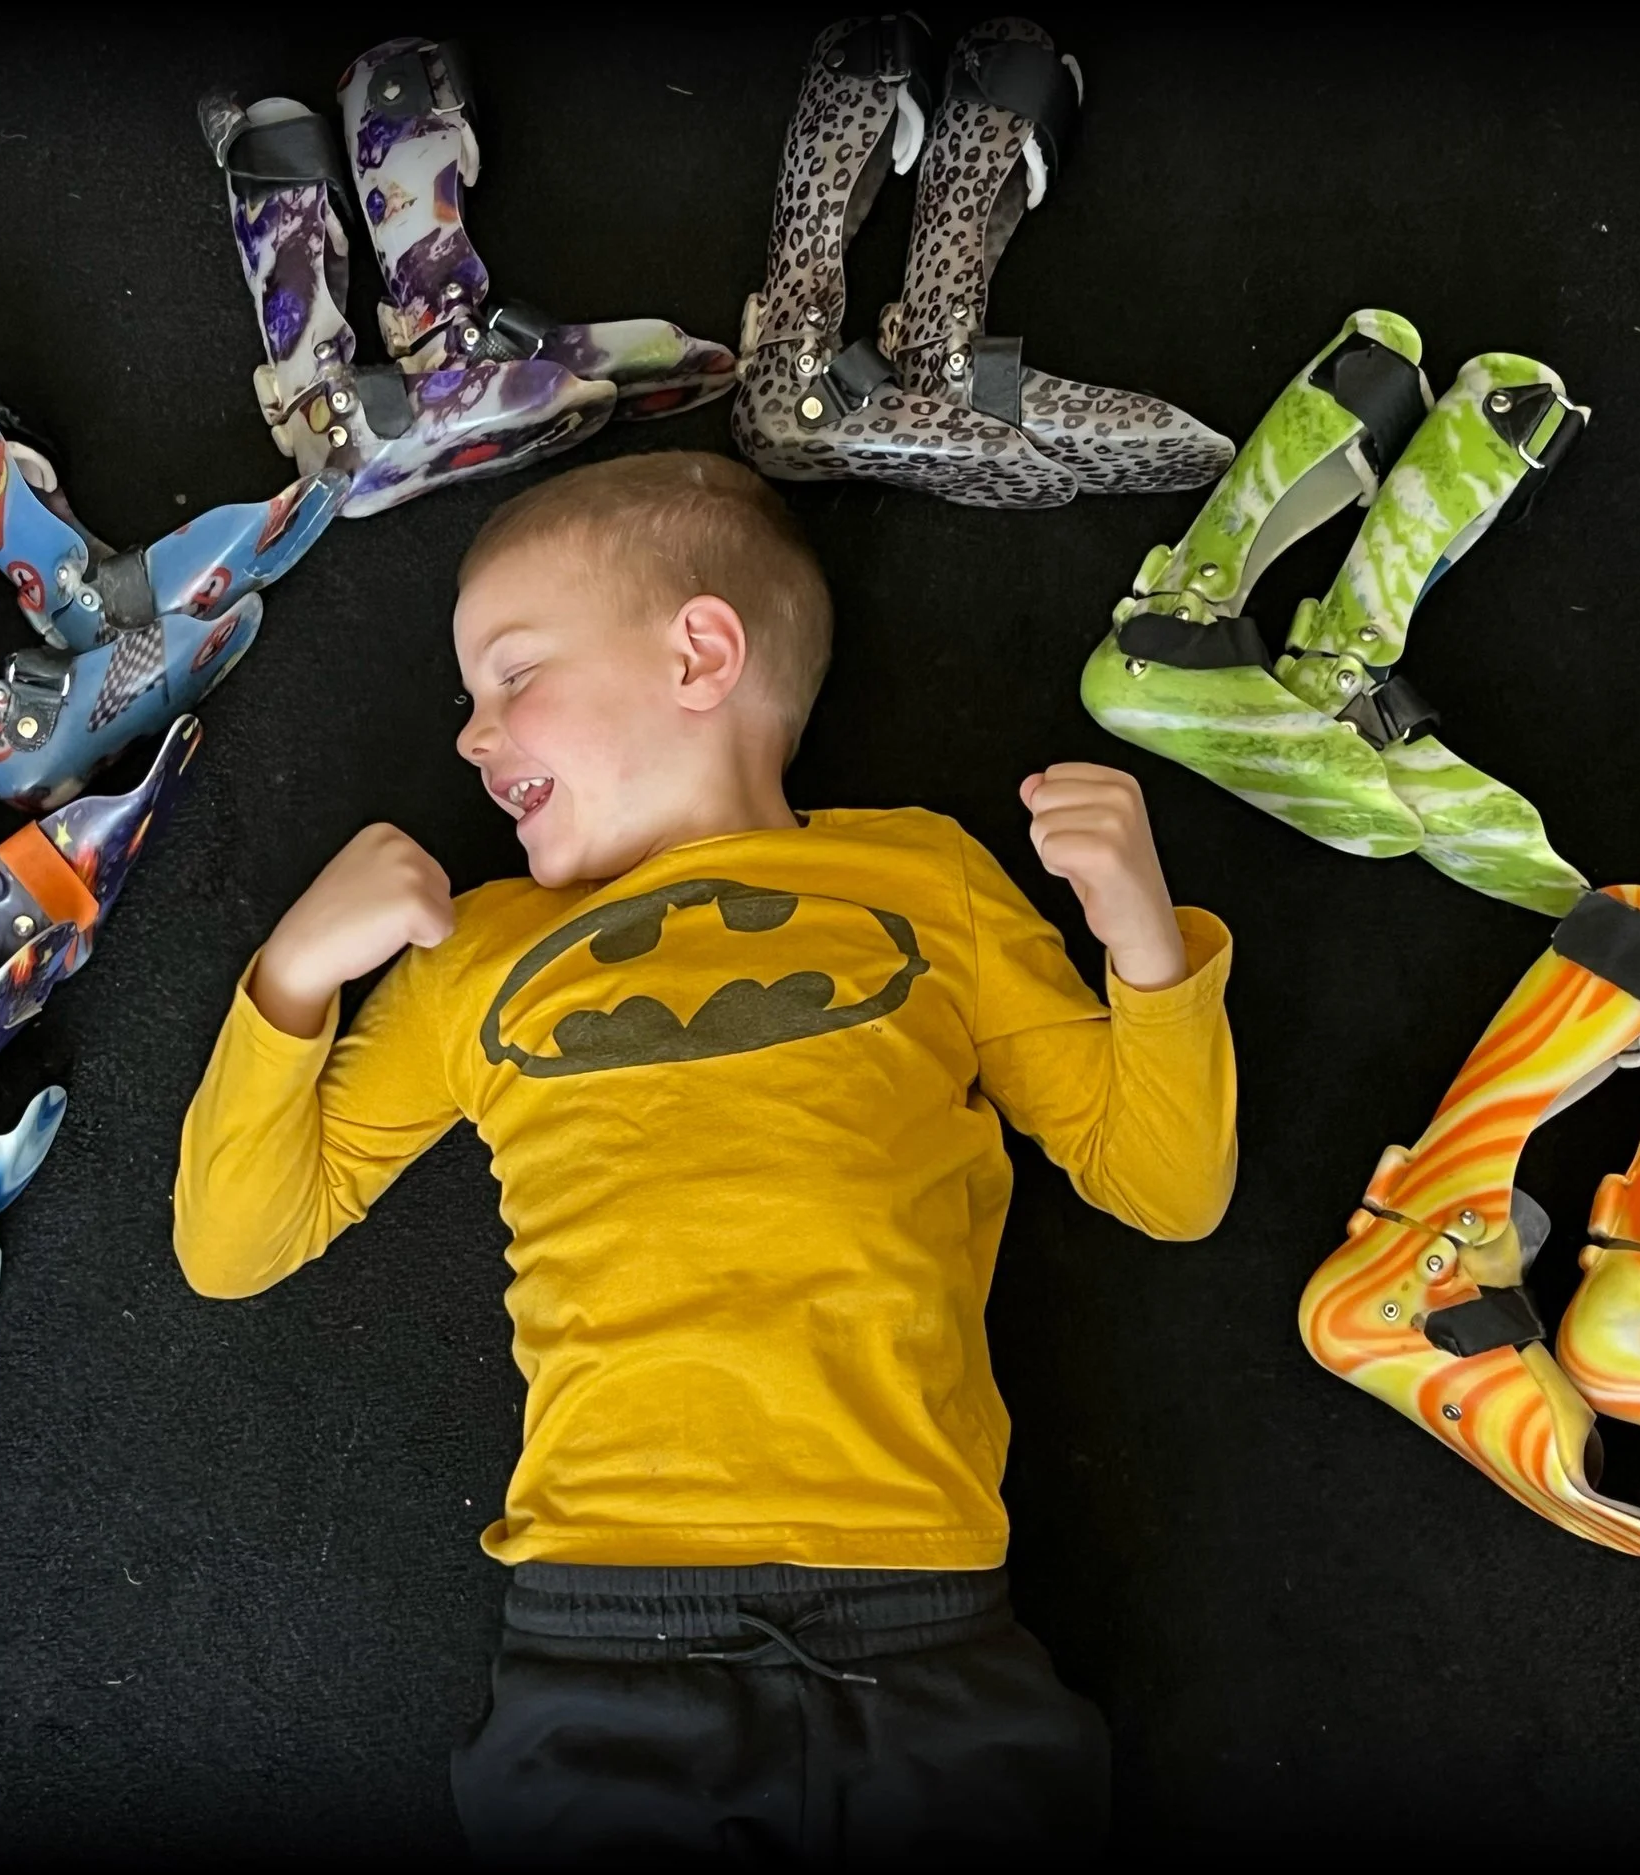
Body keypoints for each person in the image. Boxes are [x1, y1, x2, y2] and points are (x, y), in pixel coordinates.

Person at [174, 450, 1237, 1861]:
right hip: (606, 1634)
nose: (472, 739)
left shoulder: (930, 881)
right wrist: (296, 971)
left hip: (920, 1617)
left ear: (700, 650)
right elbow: (233, 1243)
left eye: (509, 675)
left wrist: (1144, 937)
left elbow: (1162, 1185)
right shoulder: (473, 953)